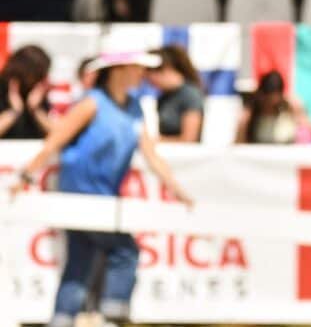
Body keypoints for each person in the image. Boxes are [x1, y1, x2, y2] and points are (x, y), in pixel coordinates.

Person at [9, 48, 193, 327]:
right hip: (80, 194)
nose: (141, 74)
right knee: (125, 251)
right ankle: (114, 314)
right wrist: (26, 175)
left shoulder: (134, 108)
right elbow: (56, 140)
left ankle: (63, 319)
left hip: (105, 197)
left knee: (80, 262)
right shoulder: (92, 103)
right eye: (135, 68)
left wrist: (177, 189)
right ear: (118, 71)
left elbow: (151, 154)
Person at [235, 70, 311, 145]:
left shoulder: (290, 110)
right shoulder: (251, 115)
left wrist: (297, 108)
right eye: (268, 101)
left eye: (275, 103)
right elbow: (239, 143)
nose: (271, 106)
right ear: (261, 96)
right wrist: (244, 120)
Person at [147, 45, 205, 143]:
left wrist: (153, 141)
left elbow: (189, 139)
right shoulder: (164, 97)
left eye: (150, 74)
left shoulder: (190, 94)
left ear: (166, 69)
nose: (149, 81)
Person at [0, 45, 53, 139]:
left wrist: (36, 110)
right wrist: (14, 112)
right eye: (39, 74)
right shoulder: (2, 89)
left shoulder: (36, 93)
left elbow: (58, 134)